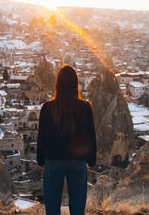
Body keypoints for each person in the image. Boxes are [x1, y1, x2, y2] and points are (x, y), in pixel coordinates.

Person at [37, 64, 97, 215]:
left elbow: (42, 136)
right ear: (75, 84)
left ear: (57, 84)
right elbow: (90, 135)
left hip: (53, 160)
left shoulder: (47, 107)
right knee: (77, 207)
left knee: (52, 206)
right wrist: (91, 160)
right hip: (77, 161)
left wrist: (41, 160)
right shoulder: (85, 107)